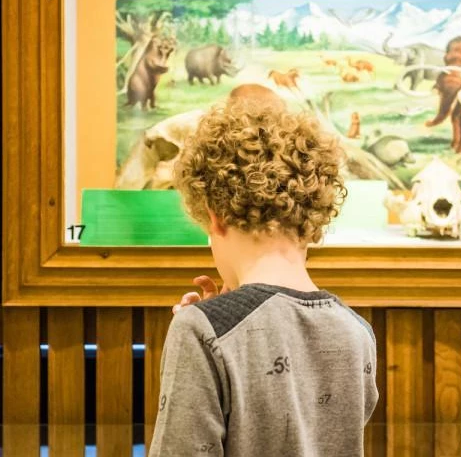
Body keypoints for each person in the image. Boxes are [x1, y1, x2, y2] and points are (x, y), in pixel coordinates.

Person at [148, 85, 378, 456]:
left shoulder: (198, 330)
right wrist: (221, 314)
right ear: (311, 217)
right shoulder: (357, 332)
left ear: (216, 217)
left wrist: (210, 322)